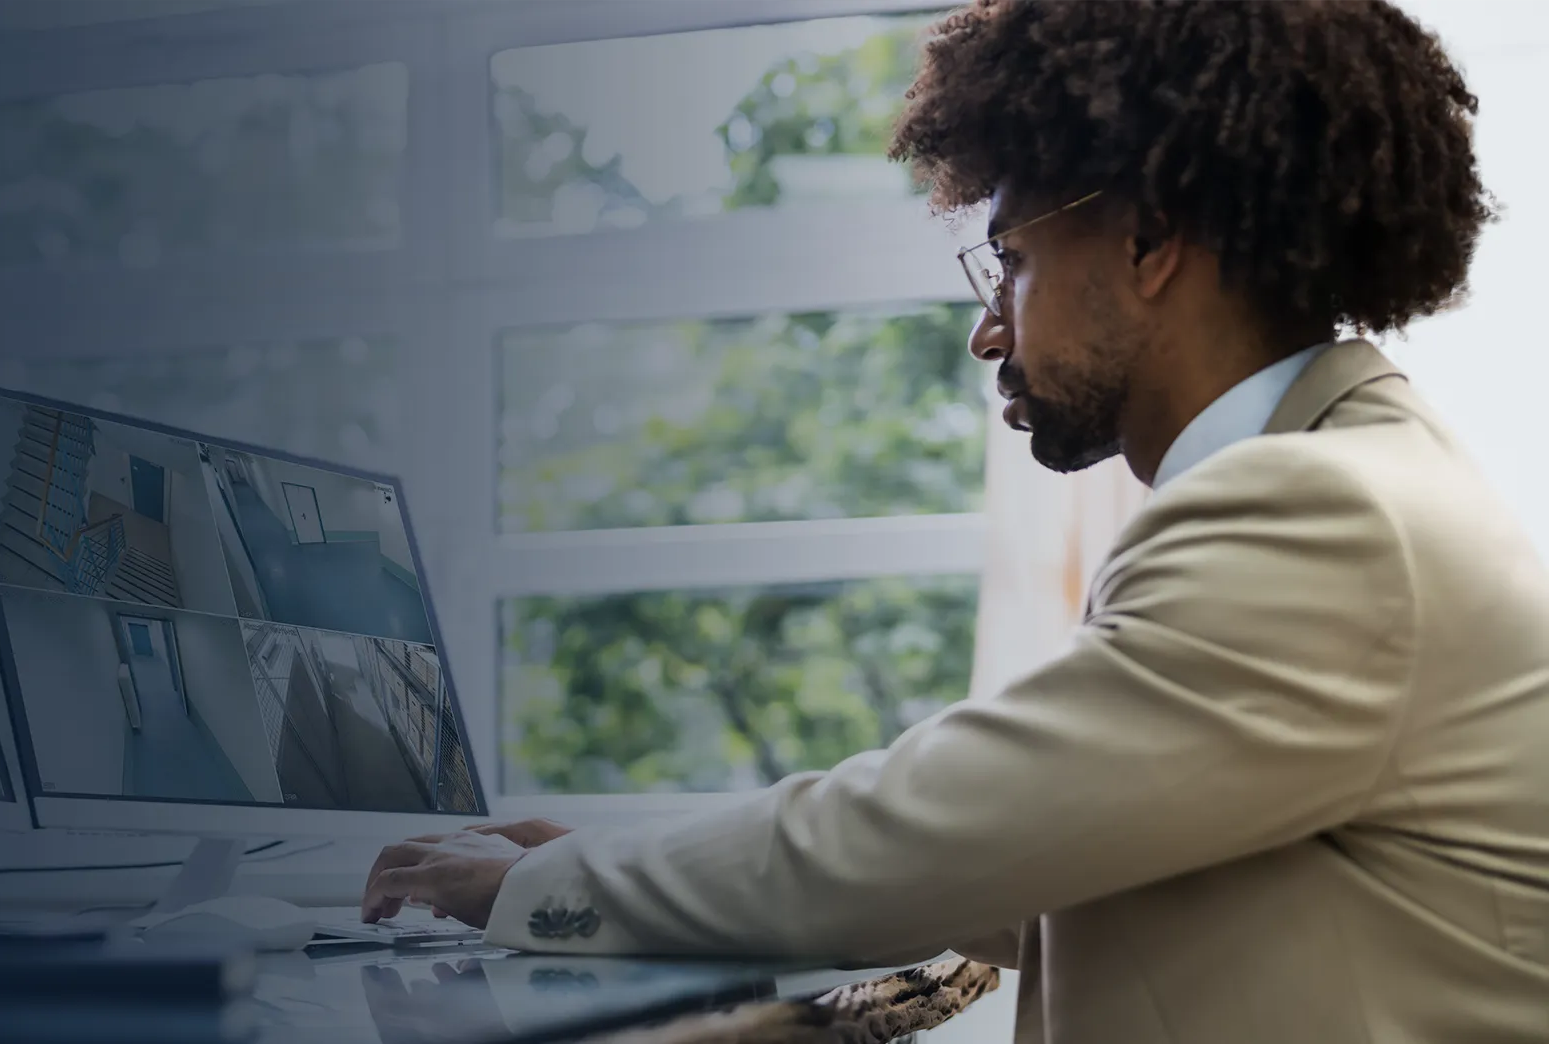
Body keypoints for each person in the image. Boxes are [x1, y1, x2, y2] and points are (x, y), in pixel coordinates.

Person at [363, 0, 1549, 1040]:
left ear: (1145, 242)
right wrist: (607, 859)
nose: (988, 331)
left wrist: (546, 888)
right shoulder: (1358, 474)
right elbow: (1039, 848)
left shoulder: (1314, 512)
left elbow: (907, 842)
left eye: (1009, 263)